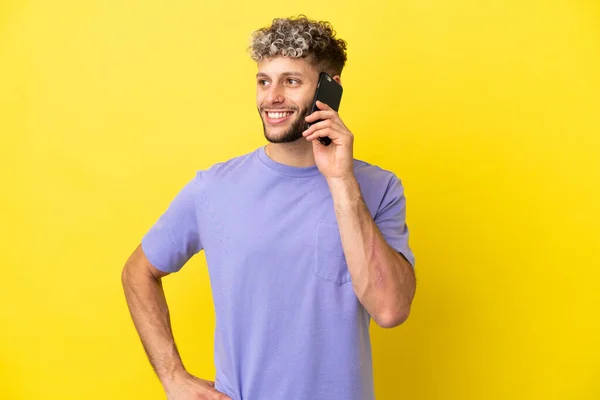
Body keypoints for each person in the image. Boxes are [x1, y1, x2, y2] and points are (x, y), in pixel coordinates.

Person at [121, 14, 417, 400]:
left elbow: (390, 310)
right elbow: (137, 272)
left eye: (291, 81)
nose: (272, 97)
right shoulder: (213, 188)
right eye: (264, 81)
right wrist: (173, 377)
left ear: (330, 89)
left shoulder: (379, 189)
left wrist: (341, 180)